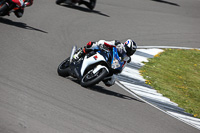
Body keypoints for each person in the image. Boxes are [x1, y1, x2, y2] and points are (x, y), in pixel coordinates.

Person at [73, 39, 137, 86]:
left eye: (132, 52)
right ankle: (80, 53)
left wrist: (117, 71)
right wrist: (102, 44)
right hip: (104, 54)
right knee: (92, 45)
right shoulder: (118, 44)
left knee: (111, 82)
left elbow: (122, 67)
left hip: (111, 65)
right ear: (125, 45)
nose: (130, 52)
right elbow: (106, 42)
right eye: (129, 50)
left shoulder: (127, 58)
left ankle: (97, 77)